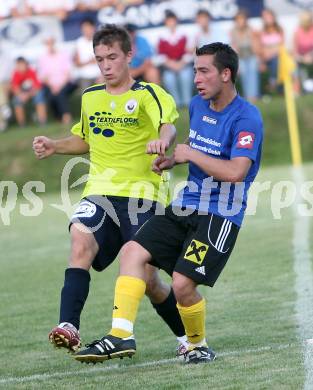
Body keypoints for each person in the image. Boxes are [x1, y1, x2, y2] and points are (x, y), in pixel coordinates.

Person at [74, 42, 263, 365]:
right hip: (186, 204)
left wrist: (190, 154)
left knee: (182, 284)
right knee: (133, 252)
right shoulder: (198, 105)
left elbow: (236, 172)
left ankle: (197, 345)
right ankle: (120, 335)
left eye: (204, 71)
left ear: (226, 74)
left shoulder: (247, 117)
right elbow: (196, 145)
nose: (196, 78)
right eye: (194, 71)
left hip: (220, 214)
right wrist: (173, 159)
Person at [32, 24, 187, 356]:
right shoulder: (91, 96)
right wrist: (54, 145)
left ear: (129, 55)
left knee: (148, 281)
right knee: (79, 239)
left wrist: (164, 139)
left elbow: (168, 124)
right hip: (100, 191)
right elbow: (85, 139)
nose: (105, 65)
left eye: (112, 57)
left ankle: (188, 338)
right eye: (99, 59)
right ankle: (68, 326)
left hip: (145, 194)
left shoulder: (149, 93)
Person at [157, 10, 194, 108]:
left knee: (185, 76)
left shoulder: (184, 34)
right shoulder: (162, 37)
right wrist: (171, 64)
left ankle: (187, 101)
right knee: (169, 79)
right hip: (169, 65)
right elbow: (160, 56)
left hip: (183, 64)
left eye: (173, 21)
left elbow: (190, 52)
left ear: (176, 21)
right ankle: (176, 102)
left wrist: (181, 63)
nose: (171, 23)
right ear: (166, 22)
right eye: (169, 21)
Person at [38, 36, 76, 124]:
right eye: (48, 43)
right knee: (51, 95)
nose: (50, 45)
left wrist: (60, 86)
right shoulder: (42, 58)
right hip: (51, 85)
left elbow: (68, 73)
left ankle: (66, 116)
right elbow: (43, 76)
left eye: (51, 43)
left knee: (61, 93)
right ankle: (58, 117)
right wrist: (53, 86)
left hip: (66, 82)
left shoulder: (63, 55)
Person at [230, 9, 260, 102]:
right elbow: (234, 49)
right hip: (240, 58)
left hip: (251, 55)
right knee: (243, 71)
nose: (241, 21)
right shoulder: (233, 32)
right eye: (238, 19)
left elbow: (255, 47)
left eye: (242, 19)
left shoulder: (251, 30)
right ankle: (248, 96)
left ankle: (254, 96)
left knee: (252, 69)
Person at [11, 56, 47, 127]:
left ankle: (42, 121)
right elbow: (15, 88)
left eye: (22, 64)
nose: (21, 66)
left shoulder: (31, 71)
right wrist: (21, 95)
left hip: (33, 93)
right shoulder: (16, 74)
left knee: (39, 97)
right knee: (16, 101)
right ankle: (22, 124)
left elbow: (37, 87)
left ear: (26, 64)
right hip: (22, 94)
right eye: (19, 65)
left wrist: (28, 95)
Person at [259, 8, 284, 93]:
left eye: (269, 16)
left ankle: (273, 82)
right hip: (266, 57)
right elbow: (261, 47)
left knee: (276, 60)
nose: (267, 19)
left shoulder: (280, 30)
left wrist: (272, 52)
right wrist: (265, 55)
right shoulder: (262, 31)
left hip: (277, 56)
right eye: (265, 17)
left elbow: (281, 46)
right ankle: (275, 85)